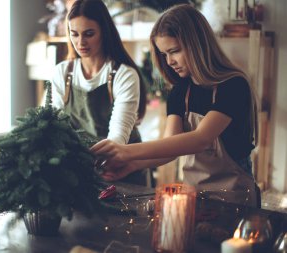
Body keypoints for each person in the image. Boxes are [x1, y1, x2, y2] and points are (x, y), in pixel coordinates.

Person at [91, 4, 261, 207]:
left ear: (197, 44)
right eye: (164, 54)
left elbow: (200, 139)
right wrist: (133, 165)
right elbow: (171, 146)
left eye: (174, 51)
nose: (169, 61)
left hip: (235, 200)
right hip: (195, 198)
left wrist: (126, 151)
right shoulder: (181, 90)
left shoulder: (233, 86)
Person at [48, 0, 149, 185]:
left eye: (89, 34)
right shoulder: (62, 73)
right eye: (74, 34)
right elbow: (53, 125)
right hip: (81, 172)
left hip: (123, 170)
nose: (80, 42)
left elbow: (117, 139)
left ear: (104, 31)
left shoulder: (124, 75)